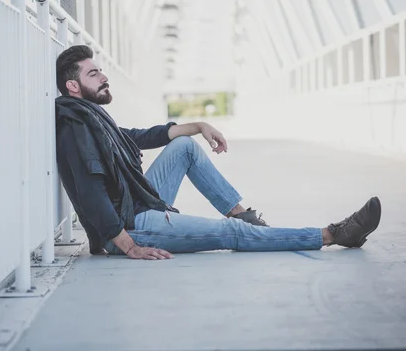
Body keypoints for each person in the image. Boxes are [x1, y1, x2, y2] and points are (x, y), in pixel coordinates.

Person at [54, 45, 381, 260]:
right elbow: (90, 192)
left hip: (133, 205)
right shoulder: (76, 126)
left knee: (184, 146)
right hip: (129, 226)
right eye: (93, 73)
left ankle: (244, 217)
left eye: (100, 71)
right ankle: (333, 235)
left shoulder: (91, 117)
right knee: (231, 235)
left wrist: (196, 126)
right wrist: (129, 246)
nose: (104, 76)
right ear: (73, 86)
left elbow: (137, 136)